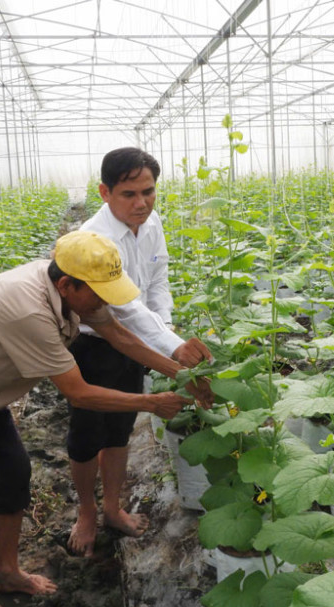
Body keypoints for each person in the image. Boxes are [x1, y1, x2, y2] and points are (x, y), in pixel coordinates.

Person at [0, 230, 212, 607]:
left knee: (13, 476)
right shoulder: (28, 310)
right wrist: (152, 402)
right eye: (100, 292)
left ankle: (8, 571)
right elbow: (79, 393)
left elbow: (117, 334)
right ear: (66, 285)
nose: (105, 301)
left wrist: (181, 374)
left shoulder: (71, 290)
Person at [67, 147, 213, 557]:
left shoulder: (151, 222)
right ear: (104, 192)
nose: (142, 202)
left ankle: (112, 507)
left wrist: (165, 327)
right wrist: (173, 347)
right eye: (129, 194)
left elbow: (157, 280)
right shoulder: (92, 241)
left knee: (120, 429)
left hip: (141, 339)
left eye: (148, 192)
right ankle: (86, 510)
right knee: (85, 435)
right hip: (94, 345)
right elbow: (124, 310)